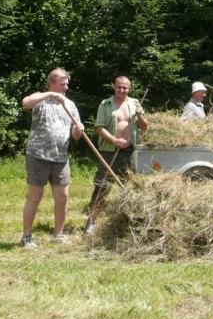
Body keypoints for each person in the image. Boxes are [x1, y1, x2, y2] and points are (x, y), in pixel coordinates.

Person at [20, 68, 84, 248]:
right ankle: (26, 236)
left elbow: (76, 134)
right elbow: (25, 103)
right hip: (38, 154)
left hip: (60, 157)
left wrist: (78, 130)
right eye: (62, 83)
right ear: (52, 83)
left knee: (63, 197)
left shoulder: (70, 105)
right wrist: (48, 94)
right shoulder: (41, 99)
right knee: (35, 196)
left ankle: (58, 234)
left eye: (67, 83)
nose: (66, 86)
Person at [84, 76, 149, 233]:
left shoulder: (135, 104)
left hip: (130, 152)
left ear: (129, 88)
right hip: (109, 151)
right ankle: (91, 222)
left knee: (131, 187)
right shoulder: (105, 104)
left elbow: (145, 127)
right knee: (102, 186)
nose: (122, 90)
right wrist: (114, 140)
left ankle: (132, 221)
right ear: (114, 86)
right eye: (119, 87)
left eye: (125, 87)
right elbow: (99, 127)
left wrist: (140, 115)